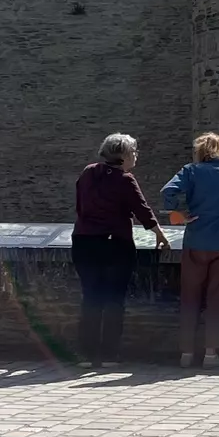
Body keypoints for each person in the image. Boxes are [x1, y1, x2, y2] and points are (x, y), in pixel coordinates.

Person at [72, 133, 170, 365]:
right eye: (134, 152)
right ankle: (108, 355)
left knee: (91, 297)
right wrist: (159, 234)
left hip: (84, 241)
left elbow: (79, 205)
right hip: (114, 243)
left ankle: (86, 354)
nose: (136, 156)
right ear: (124, 155)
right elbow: (142, 208)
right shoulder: (125, 179)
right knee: (114, 299)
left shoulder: (88, 173)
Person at [162, 133, 219, 368]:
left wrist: (179, 214)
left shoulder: (190, 171)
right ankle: (211, 353)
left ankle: (186, 354)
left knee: (190, 297)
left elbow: (167, 192)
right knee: (216, 299)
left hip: (196, 240)